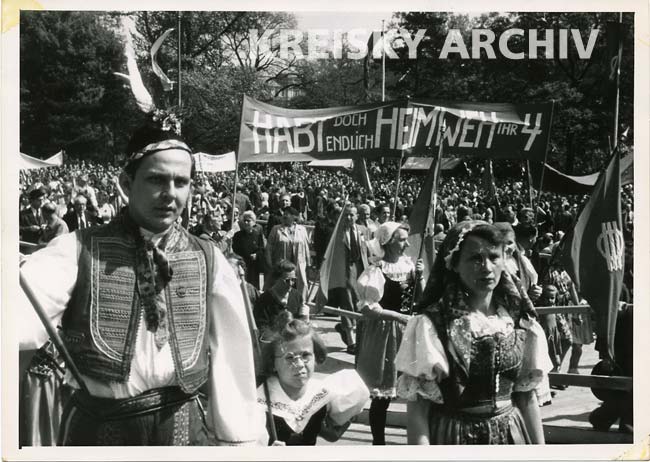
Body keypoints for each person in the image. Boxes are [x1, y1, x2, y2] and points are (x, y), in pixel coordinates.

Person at [18, 117, 264, 445]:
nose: (170, 194)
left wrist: (241, 438)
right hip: (100, 430)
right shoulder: (76, 250)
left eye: (181, 181)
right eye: (156, 179)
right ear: (126, 181)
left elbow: (233, 359)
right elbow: (15, 323)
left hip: (182, 431)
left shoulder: (209, 258)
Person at [395, 221, 551, 445]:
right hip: (455, 437)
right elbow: (419, 408)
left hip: (511, 436)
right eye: (475, 258)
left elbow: (527, 397)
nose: (487, 267)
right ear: (454, 264)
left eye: (494, 257)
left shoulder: (519, 321)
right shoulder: (433, 324)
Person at [355, 222, 425, 445]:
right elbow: (368, 308)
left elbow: (420, 299)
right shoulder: (377, 269)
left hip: (409, 329)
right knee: (382, 395)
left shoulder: (409, 264)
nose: (407, 244)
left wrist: (420, 278)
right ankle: (379, 444)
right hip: (386, 333)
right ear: (387, 242)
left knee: (417, 391)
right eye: (402, 240)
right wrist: (397, 317)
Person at [256, 311, 368, 445]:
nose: (299, 365)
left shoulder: (320, 393)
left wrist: (344, 418)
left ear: (316, 356)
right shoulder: (259, 399)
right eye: (290, 358)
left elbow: (332, 435)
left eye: (305, 355)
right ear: (273, 363)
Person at [327, 204, 372, 354]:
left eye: (352, 215)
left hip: (361, 270)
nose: (349, 218)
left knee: (360, 302)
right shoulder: (336, 232)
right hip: (344, 272)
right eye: (346, 215)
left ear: (357, 216)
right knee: (347, 303)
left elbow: (368, 251)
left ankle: (354, 335)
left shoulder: (364, 231)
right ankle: (351, 341)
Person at [265, 206, 311, 301]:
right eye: (284, 214)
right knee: (280, 285)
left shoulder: (302, 230)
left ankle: (300, 306)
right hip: (281, 264)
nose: (284, 216)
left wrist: (309, 264)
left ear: (294, 217)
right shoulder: (276, 229)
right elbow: (269, 248)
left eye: (287, 214)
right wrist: (269, 263)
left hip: (299, 264)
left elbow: (306, 248)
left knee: (301, 285)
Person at [254, 260, 308, 331]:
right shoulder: (264, 299)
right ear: (276, 279)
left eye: (294, 280)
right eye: (287, 280)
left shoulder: (297, 296)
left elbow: (301, 325)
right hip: (273, 339)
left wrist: (305, 318)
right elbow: (262, 326)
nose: (291, 284)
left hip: (294, 339)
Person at [232, 210, 266, 289]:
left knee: (253, 287)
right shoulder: (238, 235)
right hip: (242, 264)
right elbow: (235, 249)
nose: (246, 223)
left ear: (254, 222)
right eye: (245, 221)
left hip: (253, 266)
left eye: (248, 221)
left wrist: (257, 254)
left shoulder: (257, 234)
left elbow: (262, 248)